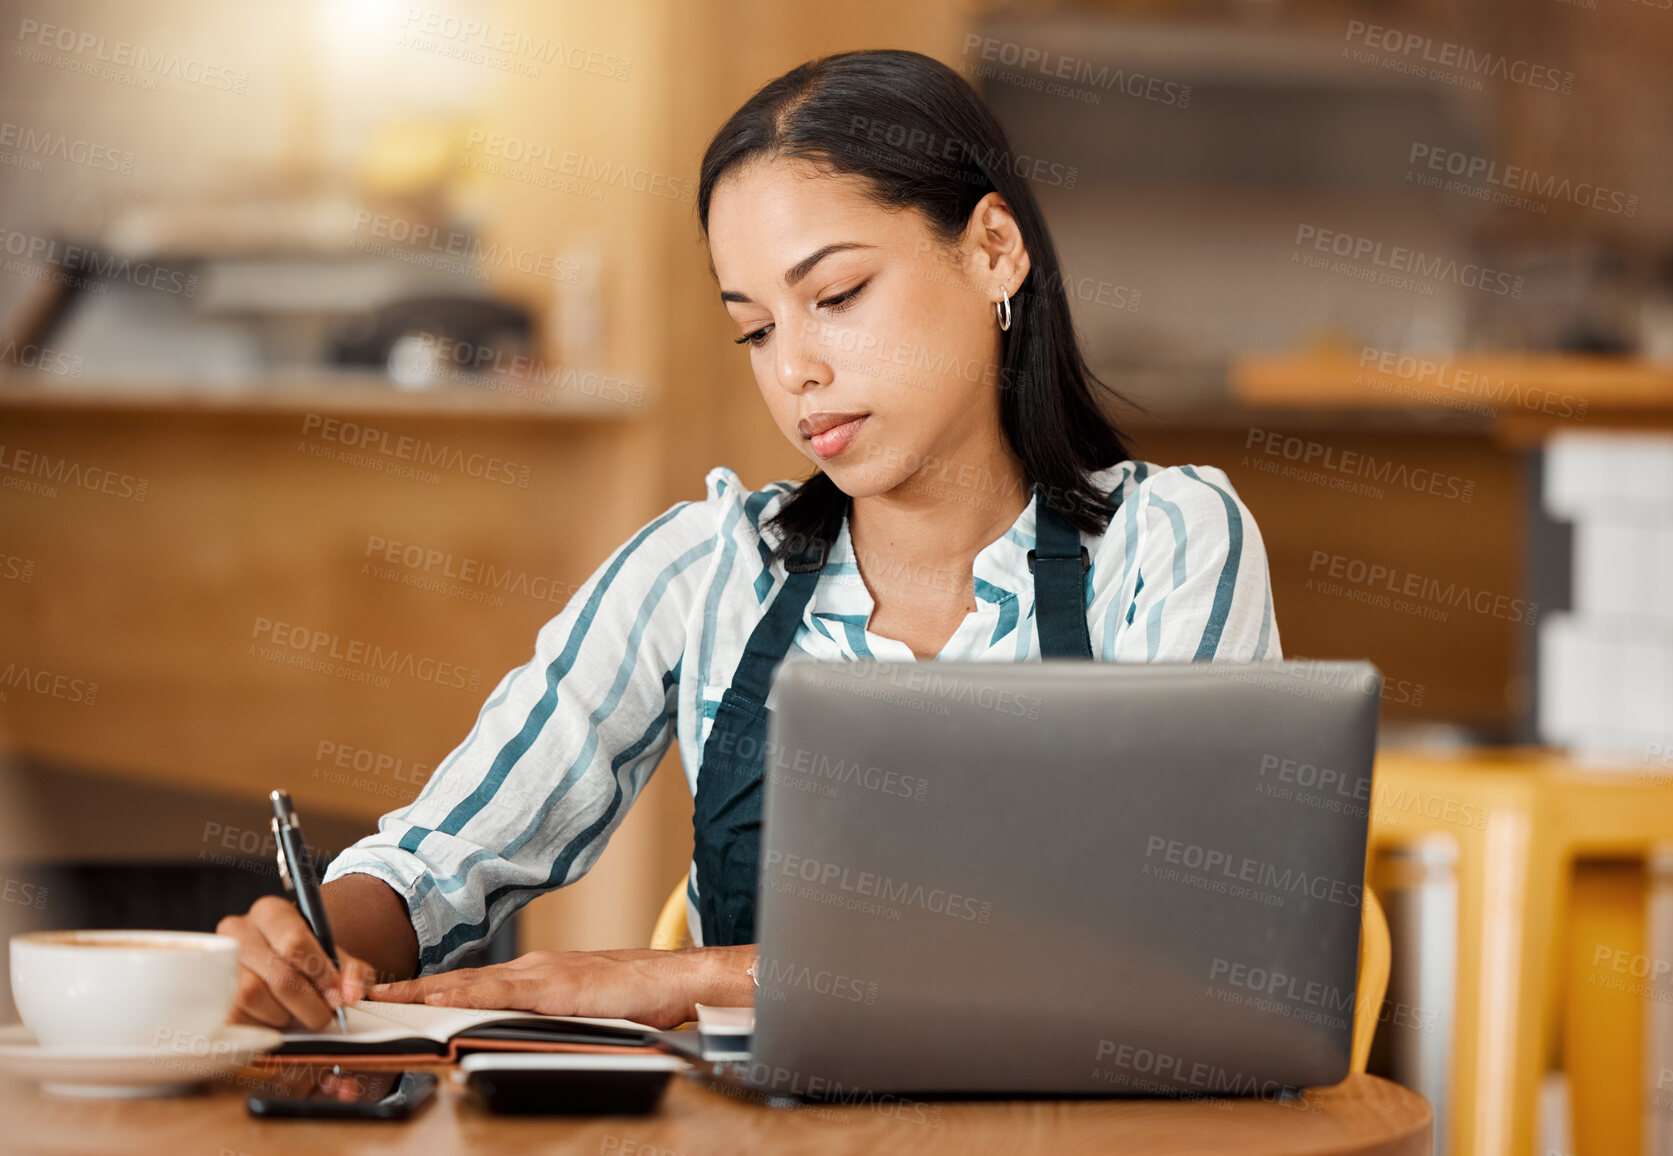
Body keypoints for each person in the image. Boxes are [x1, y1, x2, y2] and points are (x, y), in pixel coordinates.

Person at [217, 48, 1280, 1033]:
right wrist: (314, 945)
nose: (795, 372)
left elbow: (1180, 943)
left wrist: (683, 977)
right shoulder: (702, 569)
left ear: (993, 250)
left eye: (836, 295)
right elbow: (444, 857)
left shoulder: (1171, 545)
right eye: (757, 328)